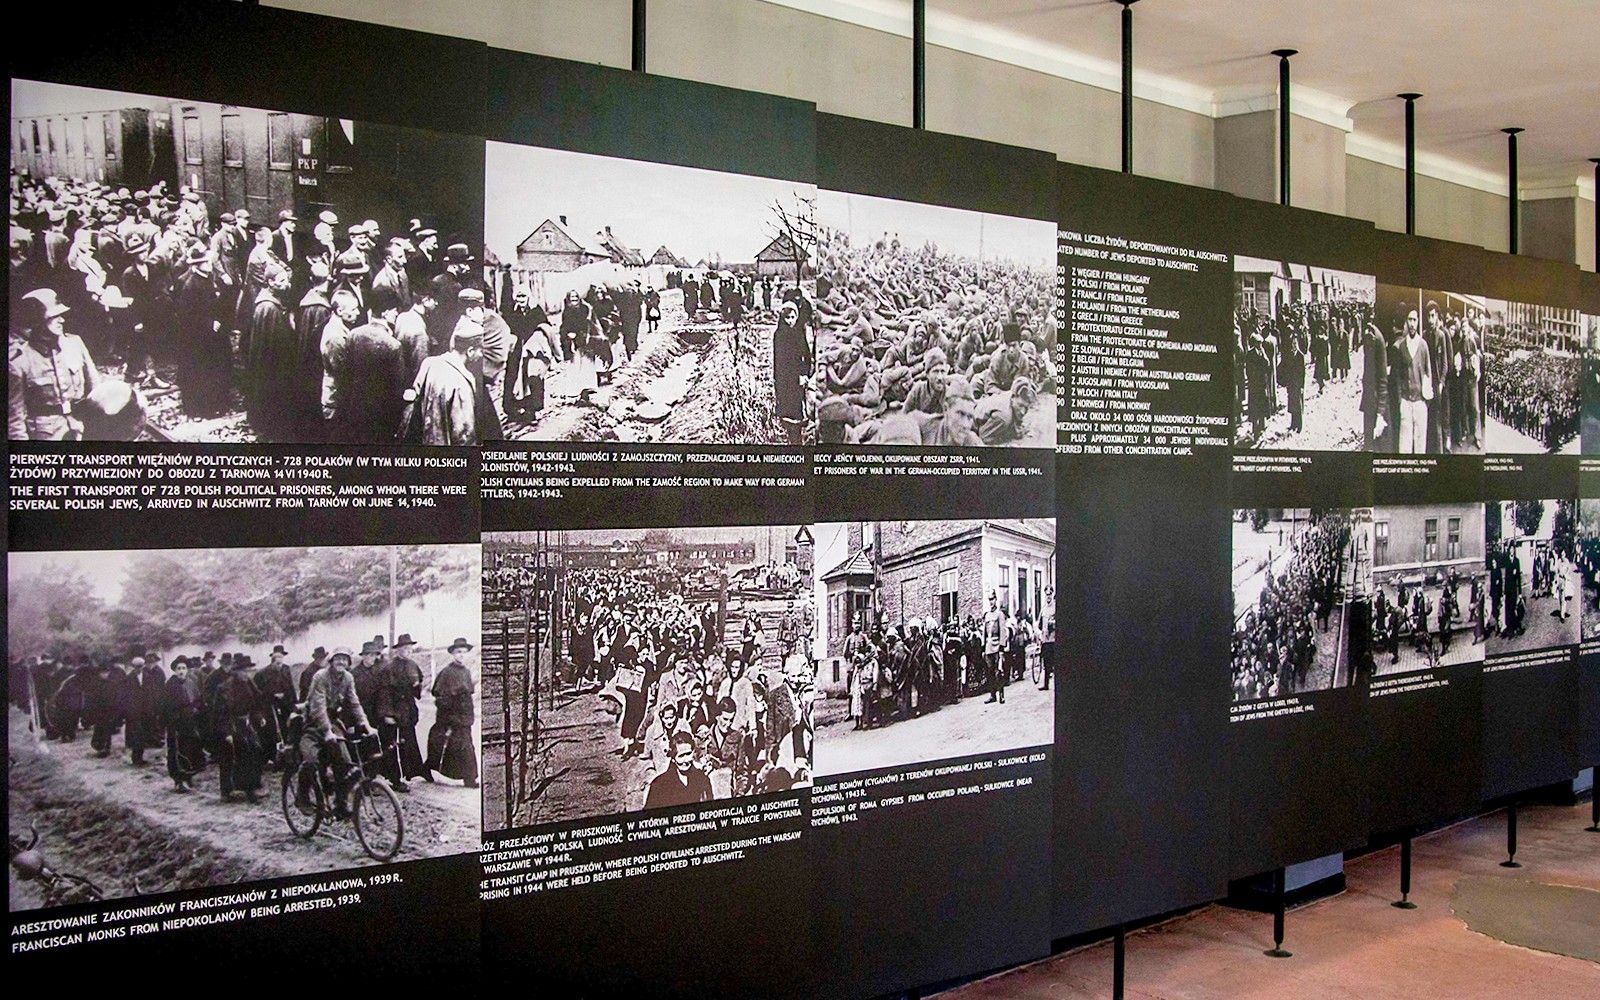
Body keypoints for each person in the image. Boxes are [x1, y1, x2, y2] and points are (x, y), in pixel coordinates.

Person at [10, 290, 101, 440]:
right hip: (45, 435)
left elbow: (96, 390)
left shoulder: (75, 344)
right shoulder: (20, 361)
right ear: (37, 320)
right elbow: (15, 419)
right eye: (54, 316)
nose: (62, 320)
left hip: (80, 426)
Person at [298, 647, 372, 816]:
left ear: (349, 663)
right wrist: (326, 731)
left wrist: (366, 725)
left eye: (345, 659)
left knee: (346, 766)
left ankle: (340, 805)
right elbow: (318, 707)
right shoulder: (320, 676)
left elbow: (354, 703)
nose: (341, 662)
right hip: (312, 724)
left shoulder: (348, 678)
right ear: (331, 661)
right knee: (310, 761)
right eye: (338, 659)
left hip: (333, 723)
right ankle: (302, 798)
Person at [403, 321, 481, 445]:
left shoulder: (429, 364)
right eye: (480, 350)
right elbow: (464, 434)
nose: (481, 355)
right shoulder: (462, 383)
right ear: (470, 351)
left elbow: (413, 399)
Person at [376, 633, 427, 792]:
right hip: (393, 709)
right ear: (398, 650)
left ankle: (413, 772)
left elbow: (418, 687)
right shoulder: (389, 668)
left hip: (408, 710)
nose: (408, 651)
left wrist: (417, 686)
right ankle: (394, 778)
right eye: (404, 648)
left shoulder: (413, 665)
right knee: (392, 745)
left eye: (410, 648)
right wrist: (387, 714)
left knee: (408, 741)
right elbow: (384, 693)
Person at [426, 638, 479, 787]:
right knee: (448, 745)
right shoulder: (447, 673)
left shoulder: (467, 672)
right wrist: (450, 716)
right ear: (453, 654)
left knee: (465, 745)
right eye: (458, 652)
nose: (461, 655)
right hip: (451, 717)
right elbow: (440, 697)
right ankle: (429, 767)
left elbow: (468, 695)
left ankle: (469, 778)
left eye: (464, 652)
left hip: (465, 717)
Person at [213, 655, 265, 803]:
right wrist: (226, 732)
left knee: (253, 751)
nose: (247, 674)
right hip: (230, 724)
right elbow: (219, 714)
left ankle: (251, 788)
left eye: (248, 671)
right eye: (244, 671)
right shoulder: (224, 688)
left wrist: (259, 717)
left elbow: (256, 704)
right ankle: (226, 790)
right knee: (229, 757)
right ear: (236, 672)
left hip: (245, 723)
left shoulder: (249, 683)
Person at [160, 657, 204, 792]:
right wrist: (174, 720)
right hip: (176, 724)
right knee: (177, 751)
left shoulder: (191, 683)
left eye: (183, 668)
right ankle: (179, 780)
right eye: (178, 669)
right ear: (174, 670)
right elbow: (165, 706)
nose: (181, 671)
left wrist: (196, 709)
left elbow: (198, 700)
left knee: (191, 748)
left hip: (190, 721)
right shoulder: (169, 685)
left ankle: (189, 776)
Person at [772, 299, 812, 445]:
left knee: (797, 408)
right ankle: (791, 439)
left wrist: (805, 374)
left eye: (792, 317)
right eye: (787, 318)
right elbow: (777, 359)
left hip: (797, 376)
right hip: (784, 377)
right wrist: (776, 378)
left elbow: (807, 356)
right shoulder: (779, 334)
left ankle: (798, 440)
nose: (790, 321)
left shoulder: (799, 333)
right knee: (786, 410)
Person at [643, 731, 713, 809]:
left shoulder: (702, 779)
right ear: (673, 758)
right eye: (681, 756)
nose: (686, 760)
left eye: (688, 754)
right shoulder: (659, 784)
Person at [983, 592, 1007, 705]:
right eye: (989, 600)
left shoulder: (999, 614)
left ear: (996, 600)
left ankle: (1001, 694)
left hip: (997, 646)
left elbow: (1003, 631)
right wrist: (984, 647)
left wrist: (1002, 648)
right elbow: (984, 633)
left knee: (999, 672)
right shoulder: (987, 615)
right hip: (989, 646)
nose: (991, 602)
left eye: (992, 599)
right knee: (990, 671)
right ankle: (992, 695)